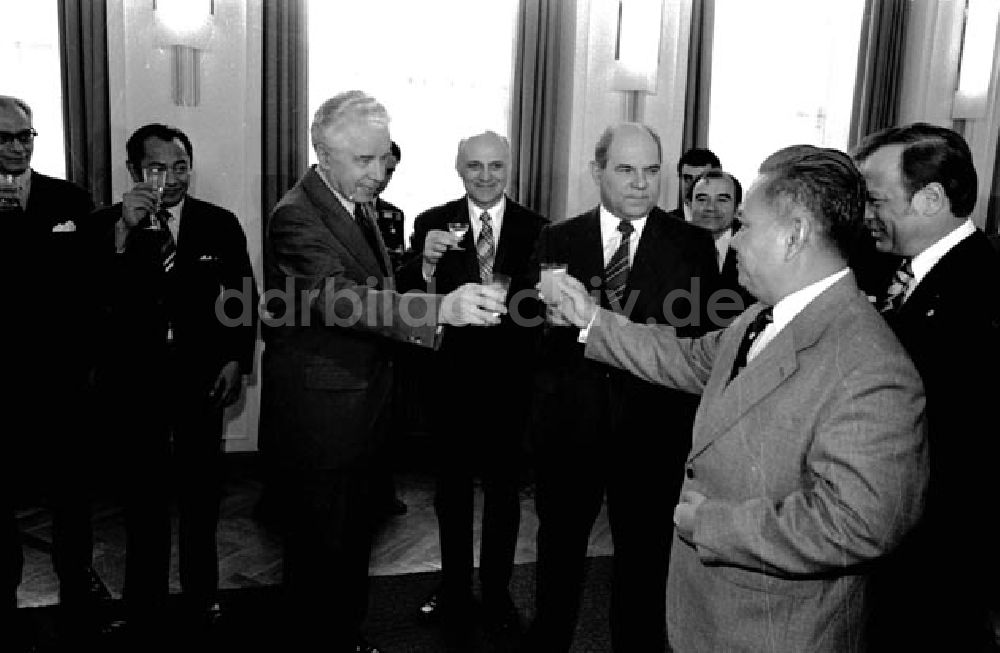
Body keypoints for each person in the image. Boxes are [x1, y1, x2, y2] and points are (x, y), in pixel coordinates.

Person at [543, 144, 930, 652]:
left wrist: (712, 524)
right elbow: (685, 358)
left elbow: (858, 522)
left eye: (745, 226)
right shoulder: (760, 317)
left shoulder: (869, 365)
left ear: (794, 237)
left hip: (773, 629)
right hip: (713, 617)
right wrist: (591, 319)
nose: (734, 242)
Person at [260, 90, 506, 653]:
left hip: (360, 409)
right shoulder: (297, 213)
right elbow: (339, 297)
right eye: (364, 160)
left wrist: (418, 265)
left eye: (382, 157)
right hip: (321, 419)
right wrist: (438, 307)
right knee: (318, 553)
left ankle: (345, 638)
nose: (380, 170)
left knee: (349, 545)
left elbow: (374, 278)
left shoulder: (352, 200)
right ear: (324, 154)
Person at [522, 123, 721, 652]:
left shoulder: (693, 245)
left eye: (652, 171)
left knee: (644, 565)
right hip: (570, 430)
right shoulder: (556, 239)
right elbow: (530, 341)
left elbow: (697, 346)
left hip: (652, 432)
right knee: (559, 556)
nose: (641, 183)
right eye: (627, 170)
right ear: (597, 171)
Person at [88, 123, 258, 644]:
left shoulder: (218, 223)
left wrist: (236, 359)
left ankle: (203, 595)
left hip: (201, 380)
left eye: (181, 165)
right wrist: (122, 234)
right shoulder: (104, 227)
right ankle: (142, 604)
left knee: (201, 494)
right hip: (133, 384)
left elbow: (242, 296)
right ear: (135, 170)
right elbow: (88, 302)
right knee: (142, 500)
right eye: (158, 167)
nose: (172, 178)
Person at [853, 123, 1000, 652]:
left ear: (932, 198)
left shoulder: (981, 291)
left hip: (939, 550)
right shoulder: (902, 274)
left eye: (876, 199)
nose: (866, 214)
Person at [396, 130, 547, 642]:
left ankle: (498, 591)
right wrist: (428, 262)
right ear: (459, 168)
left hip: (510, 385)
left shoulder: (538, 228)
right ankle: (455, 587)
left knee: (504, 496)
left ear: (510, 168)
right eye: (475, 166)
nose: (486, 176)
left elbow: (543, 313)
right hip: (451, 383)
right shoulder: (431, 223)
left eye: (496, 166)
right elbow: (411, 299)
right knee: (451, 494)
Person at [1, 95, 100, 647]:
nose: (16, 146)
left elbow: (91, 288)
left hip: (60, 378)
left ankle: (77, 578)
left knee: (71, 491)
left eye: (25, 136)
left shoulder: (69, 199)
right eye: (4, 137)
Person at [689, 169, 756, 322]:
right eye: (701, 199)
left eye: (722, 199)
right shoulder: (668, 247)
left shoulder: (755, 248)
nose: (710, 207)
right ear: (689, 205)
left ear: (737, 208)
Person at [663, 146, 721, 222]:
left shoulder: (733, 227)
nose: (693, 186)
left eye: (700, 179)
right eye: (687, 178)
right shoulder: (662, 225)